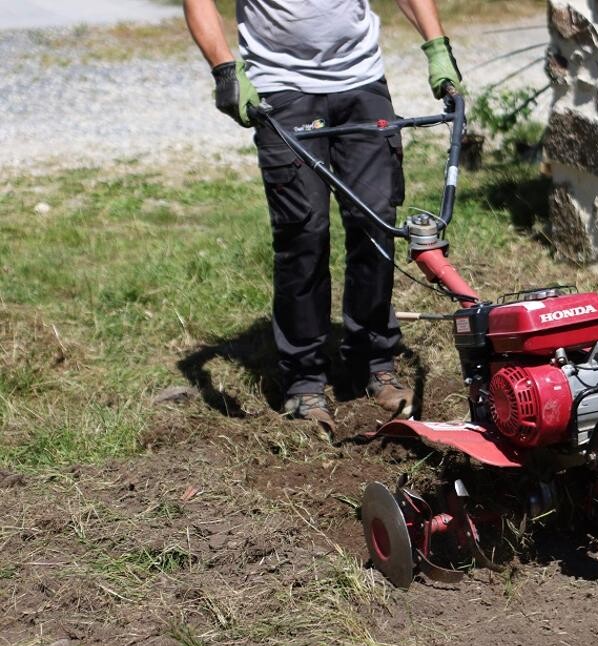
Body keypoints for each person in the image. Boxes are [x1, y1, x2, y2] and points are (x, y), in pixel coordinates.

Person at [183, 1, 462, 432]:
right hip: (282, 89)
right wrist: (225, 69)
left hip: (362, 83)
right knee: (303, 234)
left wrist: (436, 47)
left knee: (376, 222)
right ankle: (303, 380)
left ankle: (374, 361)